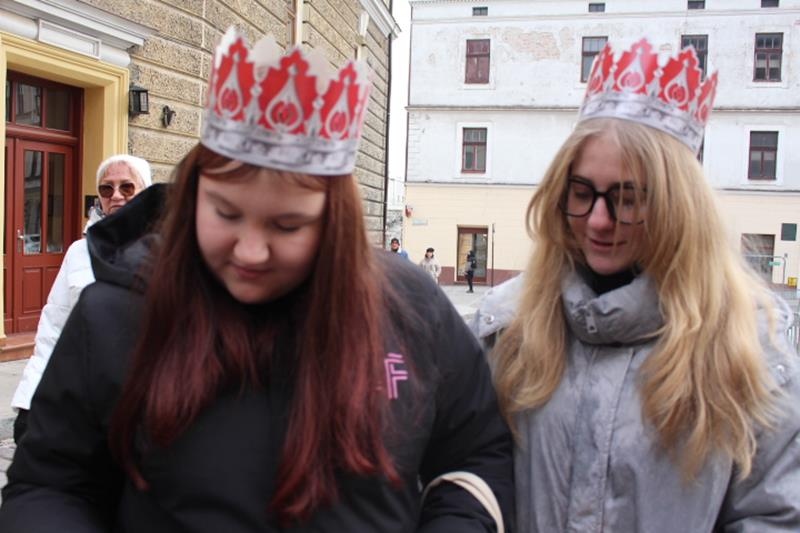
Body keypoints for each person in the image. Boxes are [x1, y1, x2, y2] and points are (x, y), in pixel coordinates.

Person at [0, 28, 513, 532]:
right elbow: (50, 486)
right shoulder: (116, 314)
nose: (250, 251)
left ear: (334, 224)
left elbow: (476, 452)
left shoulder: (410, 308)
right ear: (193, 197)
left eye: (287, 226)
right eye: (225, 213)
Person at [485, 38, 800, 531]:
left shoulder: (749, 347)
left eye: (628, 199)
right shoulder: (506, 328)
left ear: (677, 206)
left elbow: (776, 515)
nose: (599, 220)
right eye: (582, 193)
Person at [10, 154, 152, 443]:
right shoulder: (79, 251)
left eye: (127, 187)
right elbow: (54, 327)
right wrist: (30, 399)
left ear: (146, 192)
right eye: (106, 188)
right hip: (83, 397)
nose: (116, 195)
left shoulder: (171, 249)